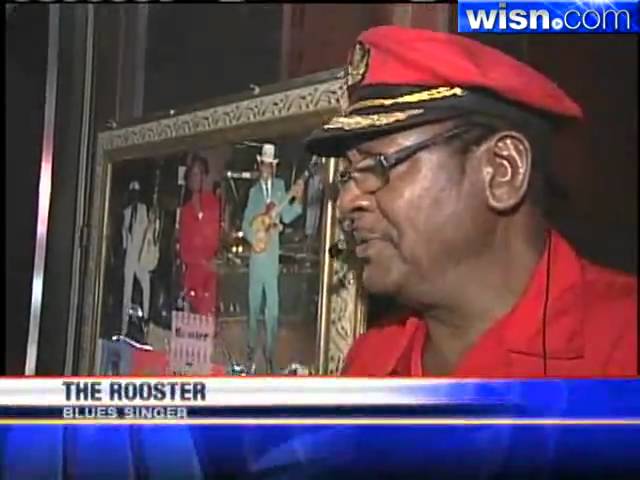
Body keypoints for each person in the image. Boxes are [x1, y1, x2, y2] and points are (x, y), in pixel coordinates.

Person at [305, 26, 637, 377]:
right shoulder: (369, 361)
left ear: (503, 170)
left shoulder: (625, 346)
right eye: (348, 176)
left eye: (377, 166)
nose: (347, 201)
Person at [242, 143, 304, 373]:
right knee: (253, 306)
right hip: (257, 258)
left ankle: (269, 352)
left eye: (270, 165)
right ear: (259, 166)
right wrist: (254, 238)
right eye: (264, 165)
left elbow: (288, 215)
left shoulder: (280, 188)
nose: (266, 169)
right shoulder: (253, 193)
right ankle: (250, 348)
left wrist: (298, 198)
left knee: (273, 311)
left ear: (274, 167)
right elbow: (246, 224)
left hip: (272, 260)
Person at [178, 155, 221, 316]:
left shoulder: (214, 204)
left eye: (199, 173)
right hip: (194, 277)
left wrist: (214, 260)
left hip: (212, 276)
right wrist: (201, 262)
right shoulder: (185, 211)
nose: (195, 178)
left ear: (205, 176)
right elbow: (184, 250)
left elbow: (218, 236)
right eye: (193, 174)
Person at [121, 180, 150, 336]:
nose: (134, 196)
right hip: (130, 255)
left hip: (140, 255)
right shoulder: (126, 212)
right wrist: (125, 248)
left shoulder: (143, 210)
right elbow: (124, 232)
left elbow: (146, 231)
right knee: (127, 289)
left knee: (146, 283)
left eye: (136, 193)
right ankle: (124, 325)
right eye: (132, 193)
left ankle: (145, 317)